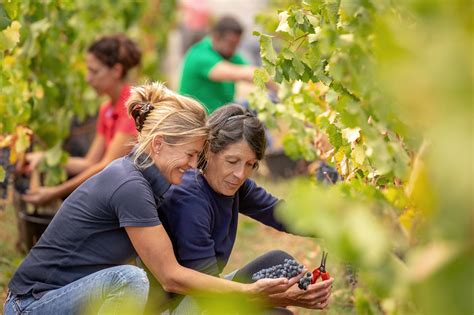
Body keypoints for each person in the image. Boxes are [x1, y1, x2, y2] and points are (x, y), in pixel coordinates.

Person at [4, 83, 294, 315]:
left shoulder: (147, 179)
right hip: (31, 305)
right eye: (191, 154)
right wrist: (250, 293)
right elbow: (171, 276)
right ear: (158, 144)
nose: (194, 165)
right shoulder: (129, 184)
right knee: (128, 280)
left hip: (74, 299)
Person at [158, 104, 333, 314]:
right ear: (208, 150)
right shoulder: (189, 199)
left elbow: (281, 214)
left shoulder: (232, 185)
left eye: (250, 164)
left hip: (204, 293)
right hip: (175, 306)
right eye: (232, 161)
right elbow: (208, 299)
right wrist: (285, 298)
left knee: (279, 261)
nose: (240, 174)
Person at [20, 34, 141, 206]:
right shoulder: (106, 109)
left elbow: (105, 166)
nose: (88, 78)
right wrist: (45, 158)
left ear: (116, 71)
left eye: (94, 71)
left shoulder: (132, 108)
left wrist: (54, 193)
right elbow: (90, 163)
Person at [178, 15, 257, 113]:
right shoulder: (200, 54)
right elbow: (243, 73)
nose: (233, 50)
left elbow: (251, 71)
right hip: (196, 120)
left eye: (236, 45)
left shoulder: (229, 54)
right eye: (231, 44)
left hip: (219, 115)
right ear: (216, 38)